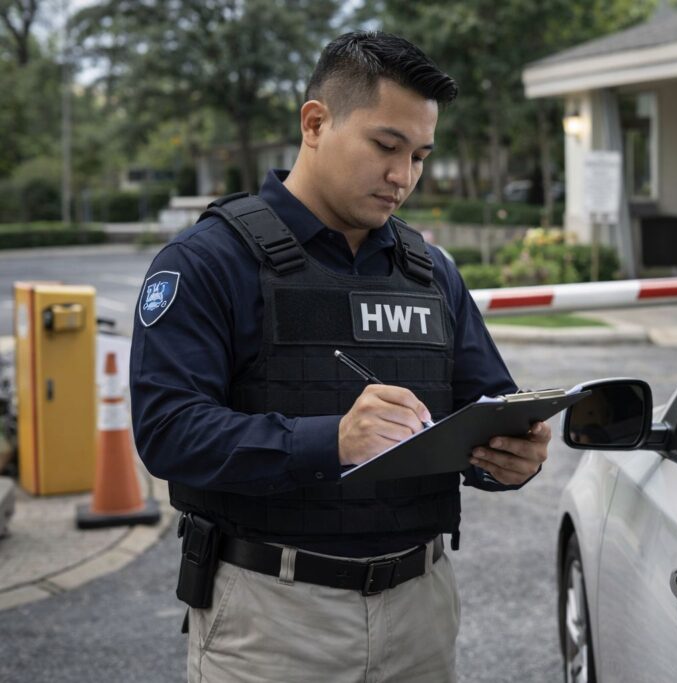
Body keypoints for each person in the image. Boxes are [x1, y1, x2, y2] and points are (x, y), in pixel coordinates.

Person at [129, 31, 550, 683]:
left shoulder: (431, 272)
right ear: (316, 122)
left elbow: (484, 405)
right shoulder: (208, 262)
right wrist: (334, 440)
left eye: (419, 155)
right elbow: (168, 430)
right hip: (273, 616)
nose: (403, 177)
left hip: (422, 608)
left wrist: (510, 459)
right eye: (386, 146)